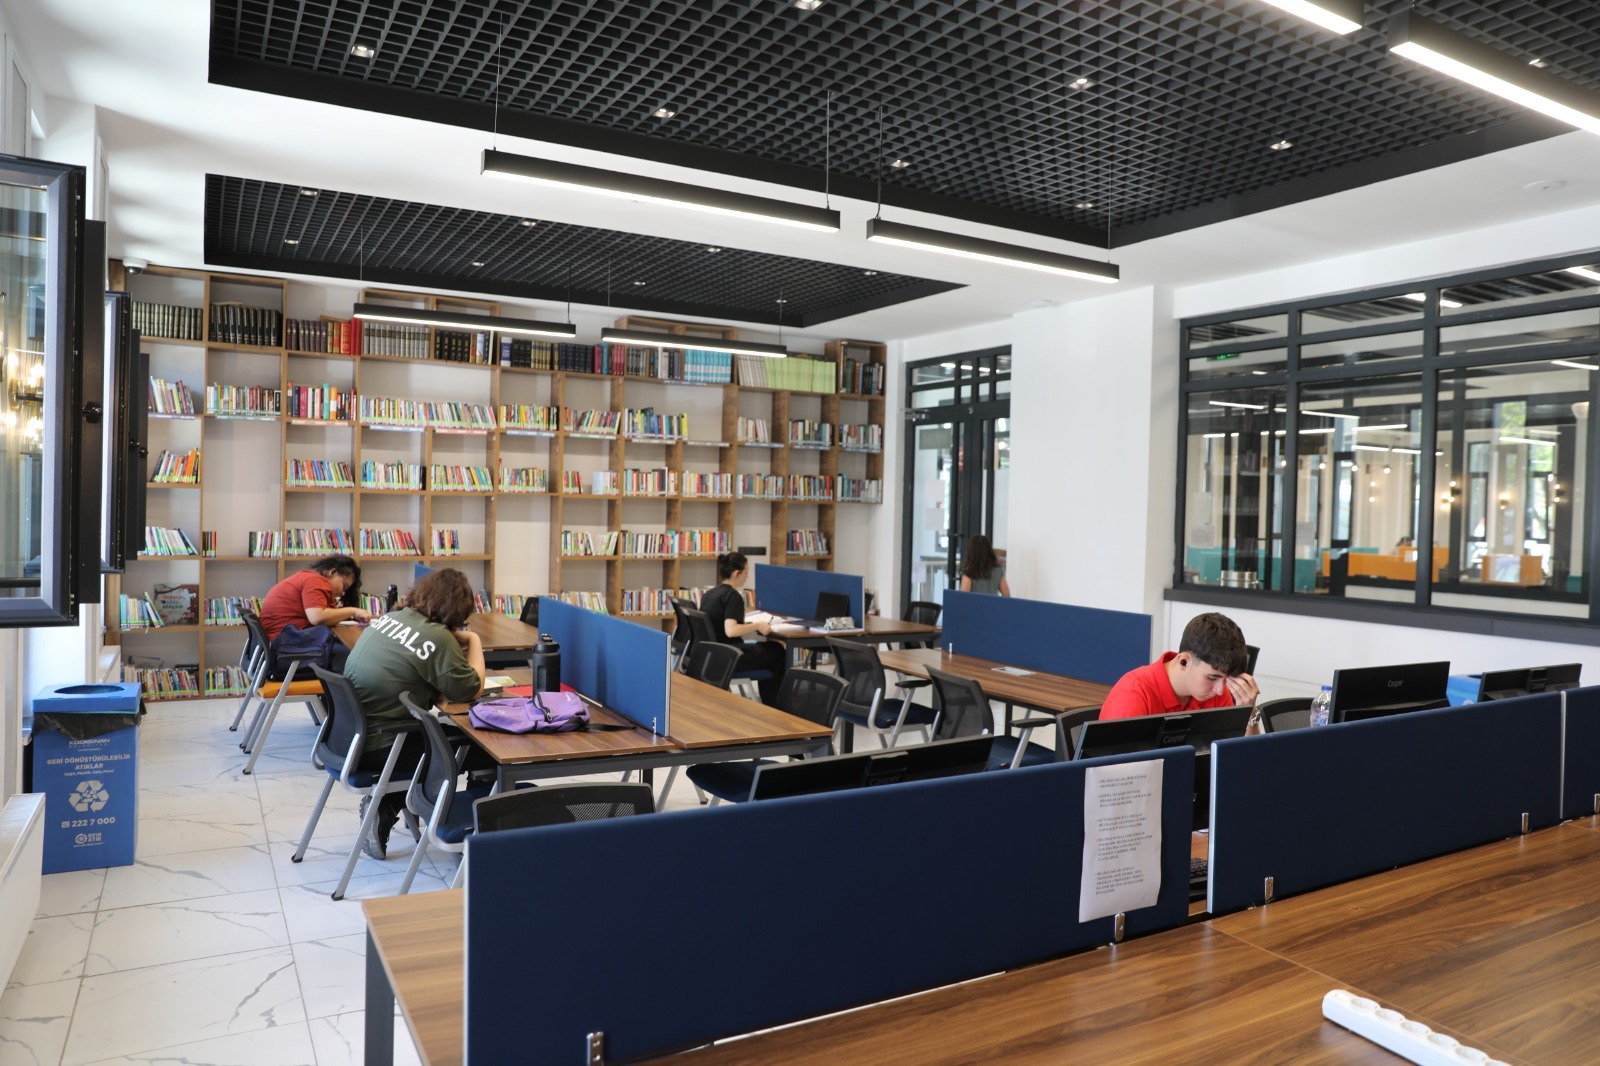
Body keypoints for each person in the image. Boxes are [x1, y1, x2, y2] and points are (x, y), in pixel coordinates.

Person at [340, 568, 486, 859]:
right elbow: (471, 689)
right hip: (383, 745)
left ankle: (387, 805)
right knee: (482, 749)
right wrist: (474, 640)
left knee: (439, 738)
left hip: (349, 737)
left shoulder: (392, 618)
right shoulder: (438, 637)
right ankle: (474, 832)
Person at [1099, 612, 1260, 723]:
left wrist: (1249, 715)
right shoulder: (1134, 694)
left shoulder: (1216, 692)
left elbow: (1242, 758)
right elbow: (1122, 763)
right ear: (1184, 661)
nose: (1219, 690)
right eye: (1212, 677)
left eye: (1226, 680)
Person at [699, 551, 786, 705]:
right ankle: (775, 704)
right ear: (737, 574)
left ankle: (771, 702)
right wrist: (757, 625)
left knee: (770, 649)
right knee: (777, 650)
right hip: (730, 656)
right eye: (746, 572)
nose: (747, 576)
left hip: (713, 655)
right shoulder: (733, 596)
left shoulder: (710, 593)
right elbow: (731, 631)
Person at [258, 554, 369, 640]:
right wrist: (353, 611)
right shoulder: (315, 580)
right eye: (344, 586)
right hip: (285, 642)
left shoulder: (307, 577)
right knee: (350, 653)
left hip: (280, 640)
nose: (343, 593)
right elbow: (317, 617)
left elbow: (326, 615)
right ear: (333, 572)